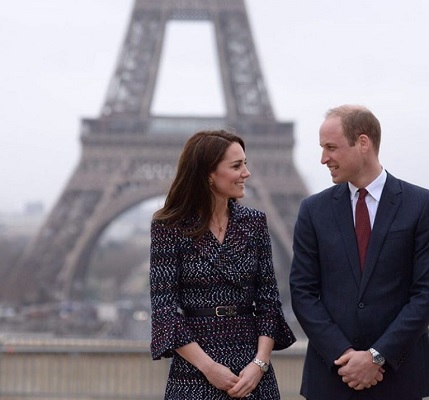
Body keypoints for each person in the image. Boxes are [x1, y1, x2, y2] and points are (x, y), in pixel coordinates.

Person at [289, 105, 429, 400]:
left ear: (363, 143)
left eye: (331, 147)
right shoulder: (313, 210)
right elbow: (302, 292)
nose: (323, 158)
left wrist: (377, 356)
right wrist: (344, 355)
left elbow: (425, 294)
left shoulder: (421, 205)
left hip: (399, 379)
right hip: (331, 378)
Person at [150, 129, 296, 399]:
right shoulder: (168, 227)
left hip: (251, 368)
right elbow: (164, 309)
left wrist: (259, 364)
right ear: (209, 174)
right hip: (195, 368)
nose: (246, 173)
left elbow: (268, 301)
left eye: (246, 164)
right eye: (237, 165)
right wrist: (209, 368)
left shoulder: (254, 223)